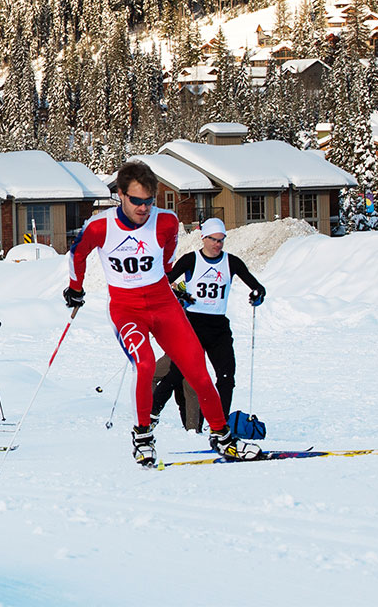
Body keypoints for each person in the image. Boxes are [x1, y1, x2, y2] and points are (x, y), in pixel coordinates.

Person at [65, 160, 261, 466]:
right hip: (127, 308)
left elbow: (168, 256)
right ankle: (143, 437)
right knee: (144, 364)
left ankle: (222, 437)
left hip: (163, 304)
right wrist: (75, 289)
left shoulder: (167, 221)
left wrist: (166, 277)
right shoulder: (101, 226)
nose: (144, 208)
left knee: (198, 372)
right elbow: (77, 254)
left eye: (149, 201)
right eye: (136, 200)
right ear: (120, 194)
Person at [151, 218, 266, 426]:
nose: (217, 244)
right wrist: (178, 295)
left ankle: (220, 425)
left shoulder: (231, 262)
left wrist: (257, 294)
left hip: (218, 327)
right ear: (203, 238)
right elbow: (163, 282)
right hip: (192, 324)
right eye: (213, 239)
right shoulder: (191, 260)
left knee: (226, 377)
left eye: (221, 240)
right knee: (177, 373)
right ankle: (152, 413)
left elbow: (256, 286)